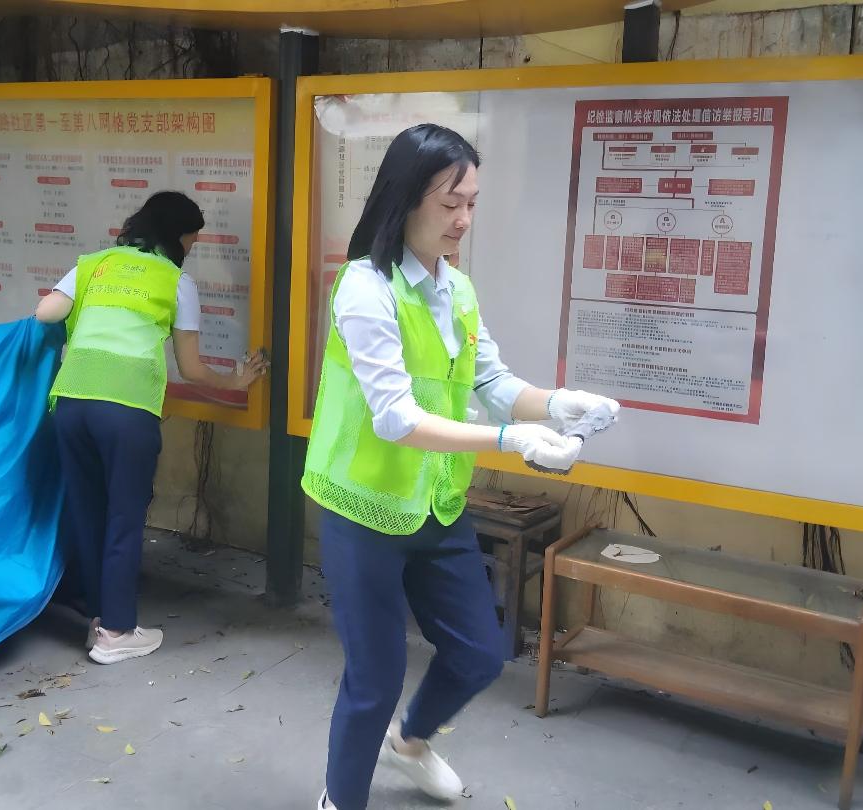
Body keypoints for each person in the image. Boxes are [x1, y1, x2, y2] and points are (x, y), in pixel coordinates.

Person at [305, 124, 619, 810]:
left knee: (479, 652)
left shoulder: (458, 290)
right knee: (374, 678)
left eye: (472, 202)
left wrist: (558, 404)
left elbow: (492, 381)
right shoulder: (366, 287)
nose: (464, 220)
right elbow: (395, 416)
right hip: (362, 506)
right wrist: (511, 440)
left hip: (436, 504)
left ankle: (410, 743)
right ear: (405, 198)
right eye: (451, 204)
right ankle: (341, 798)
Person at [35, 191, 268, 665]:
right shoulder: (176, 281)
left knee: (87, 511)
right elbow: (191, 368)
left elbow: (45, 313)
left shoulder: (95, 264)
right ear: (177, 237)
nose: (192, 249)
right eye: (192, 240)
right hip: (126, 408)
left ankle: (97, 617)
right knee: (124, 517)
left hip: (72, 400)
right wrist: (236, 382)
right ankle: (117, 632)